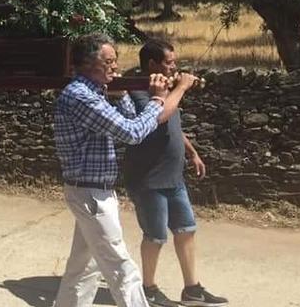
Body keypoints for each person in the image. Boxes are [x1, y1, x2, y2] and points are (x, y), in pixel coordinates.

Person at [52, 33, 196, 307]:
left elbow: (131, 120)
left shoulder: (96, 93)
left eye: (115, 61)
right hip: (91, 195)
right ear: (87, 64)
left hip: (95, 192)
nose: (116, 67)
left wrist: (120, 96)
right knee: (122, 269)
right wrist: (158, 99)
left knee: (84, 269)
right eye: (109, 62)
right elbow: (132, 133)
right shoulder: (81, 96)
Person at [124, 40, 228, 307]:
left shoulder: (166, 89)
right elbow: (158, 117)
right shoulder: (139, 89)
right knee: (156, 236)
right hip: (148, 179)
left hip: (173, 176)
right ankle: (148, 288)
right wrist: (180, 88)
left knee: (186, 230)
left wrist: (191, 152)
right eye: (170, 62)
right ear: (152, 64)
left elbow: (172, 124)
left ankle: (192, 289)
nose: (175, 67)